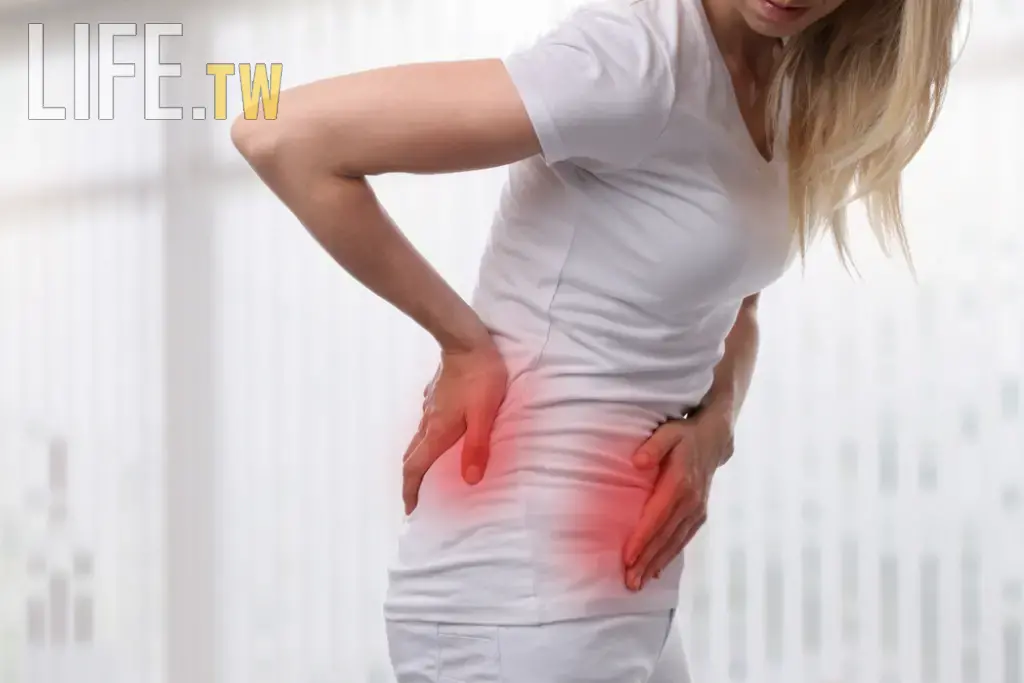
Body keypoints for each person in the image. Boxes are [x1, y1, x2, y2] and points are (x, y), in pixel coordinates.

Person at [230, 0, 961, 679]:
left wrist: (716, 424)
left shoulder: (779, 75)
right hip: (516, 600)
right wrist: (462, 343)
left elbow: (736, 305)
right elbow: (280, 132)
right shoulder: (634, 58)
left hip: (624, 602)